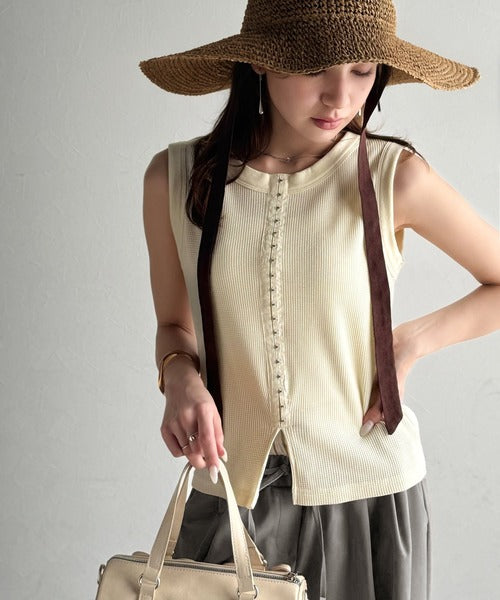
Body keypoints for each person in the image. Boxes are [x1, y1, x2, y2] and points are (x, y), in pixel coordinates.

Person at [139, 1, 499, 598]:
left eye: (362, 70)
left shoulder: (393, 175)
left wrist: (410, 342)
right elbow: (174, 326)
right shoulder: (176, 178)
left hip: (370, 496)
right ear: (260, 63)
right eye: (314, 69)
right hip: (230, 497)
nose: (340, 97)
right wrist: (179, 378)